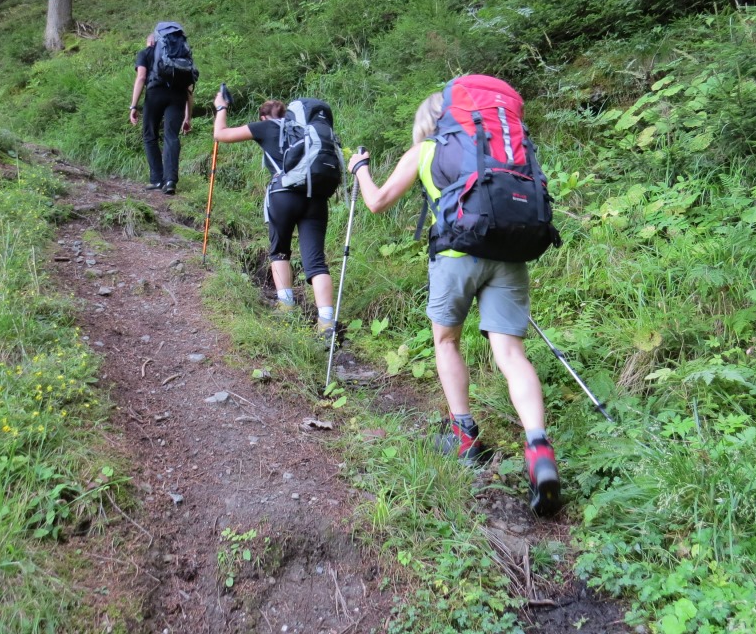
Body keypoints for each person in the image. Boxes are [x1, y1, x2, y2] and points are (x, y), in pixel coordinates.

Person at [346, 92, 561, 516]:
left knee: (447, 342)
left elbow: (376, 202)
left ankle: (464, 435)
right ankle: (538, 447)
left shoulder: (427, 150)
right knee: (511, 353)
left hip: (456, 257)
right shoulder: (501, 151)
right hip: (509, 253)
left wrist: (360, 170)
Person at [212, 88, 337, 343]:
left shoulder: (266, 127)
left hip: (283, 195)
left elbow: (220, 134)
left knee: (280, 250)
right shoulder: (307, 132)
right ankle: (326, 322)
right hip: (316, 197)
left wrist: (221, 107)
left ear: (264, 116)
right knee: (316, 261)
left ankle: (287, 306)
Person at [129, 31, 193, 195]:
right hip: (178, 96)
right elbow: (189, 89)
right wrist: (188, 116)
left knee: (150, 135)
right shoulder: (181, 57)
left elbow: (141, 77)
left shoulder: (146, 53)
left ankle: (157, 179)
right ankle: (170, 180)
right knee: (171, 136)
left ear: (151, 41)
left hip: (155, 94)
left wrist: (133, 106)